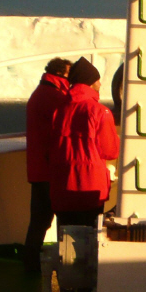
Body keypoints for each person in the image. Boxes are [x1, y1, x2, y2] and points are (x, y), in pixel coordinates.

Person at [48, 57, 119, 228]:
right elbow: (110, 151)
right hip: (90, 186)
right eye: (97, 80)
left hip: (62, 183)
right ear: (90, 82)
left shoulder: (59, 110)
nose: (100, 84)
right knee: (89, 233)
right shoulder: (101, 112)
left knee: (65, 234)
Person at [23, 58, 71, 272]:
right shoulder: (53, 97)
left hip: (39, 169)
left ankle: (30, 264)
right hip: (50, 170)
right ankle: (65, 264)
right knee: (62, 218)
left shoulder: (41, 93)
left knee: (39, 221)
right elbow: (64, 127)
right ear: (62, 75)